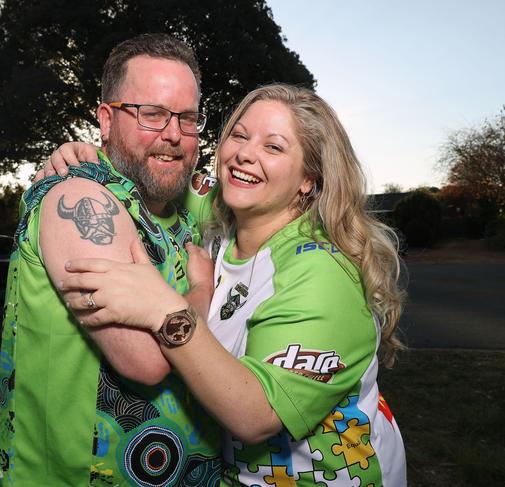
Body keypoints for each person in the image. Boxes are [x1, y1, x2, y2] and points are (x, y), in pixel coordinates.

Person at [58, 84, 408, 486]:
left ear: (308, 179)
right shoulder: (223, 213)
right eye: (239, 136)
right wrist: (90, 159)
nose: (245, 154)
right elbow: (153, 170)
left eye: (274, 148)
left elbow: (256, 416)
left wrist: (165, 309)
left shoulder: (321, 274)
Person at [0, 33, 222, 486]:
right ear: (107, 120)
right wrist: (202, 289)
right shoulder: (78, 200)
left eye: (187, 119)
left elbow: (266, 195)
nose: (173, 134)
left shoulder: (186, 203)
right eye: (151, 114)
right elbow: (148, 361)